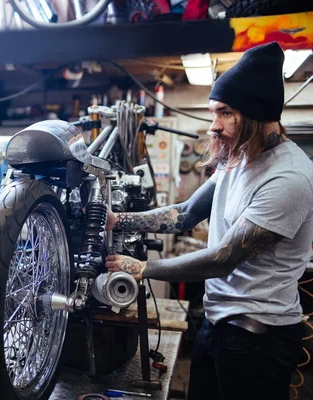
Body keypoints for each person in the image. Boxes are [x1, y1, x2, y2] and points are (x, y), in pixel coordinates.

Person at [105, 42, 313, 400]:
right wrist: (116, 220)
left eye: (225, 113)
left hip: (258, 338)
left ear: (256, 114)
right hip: (219, 323)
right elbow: (184, 214)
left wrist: (143, 268)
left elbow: (223, 259)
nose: (214, 126)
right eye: (213, 112)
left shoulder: (288, 179)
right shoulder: (239, 159)